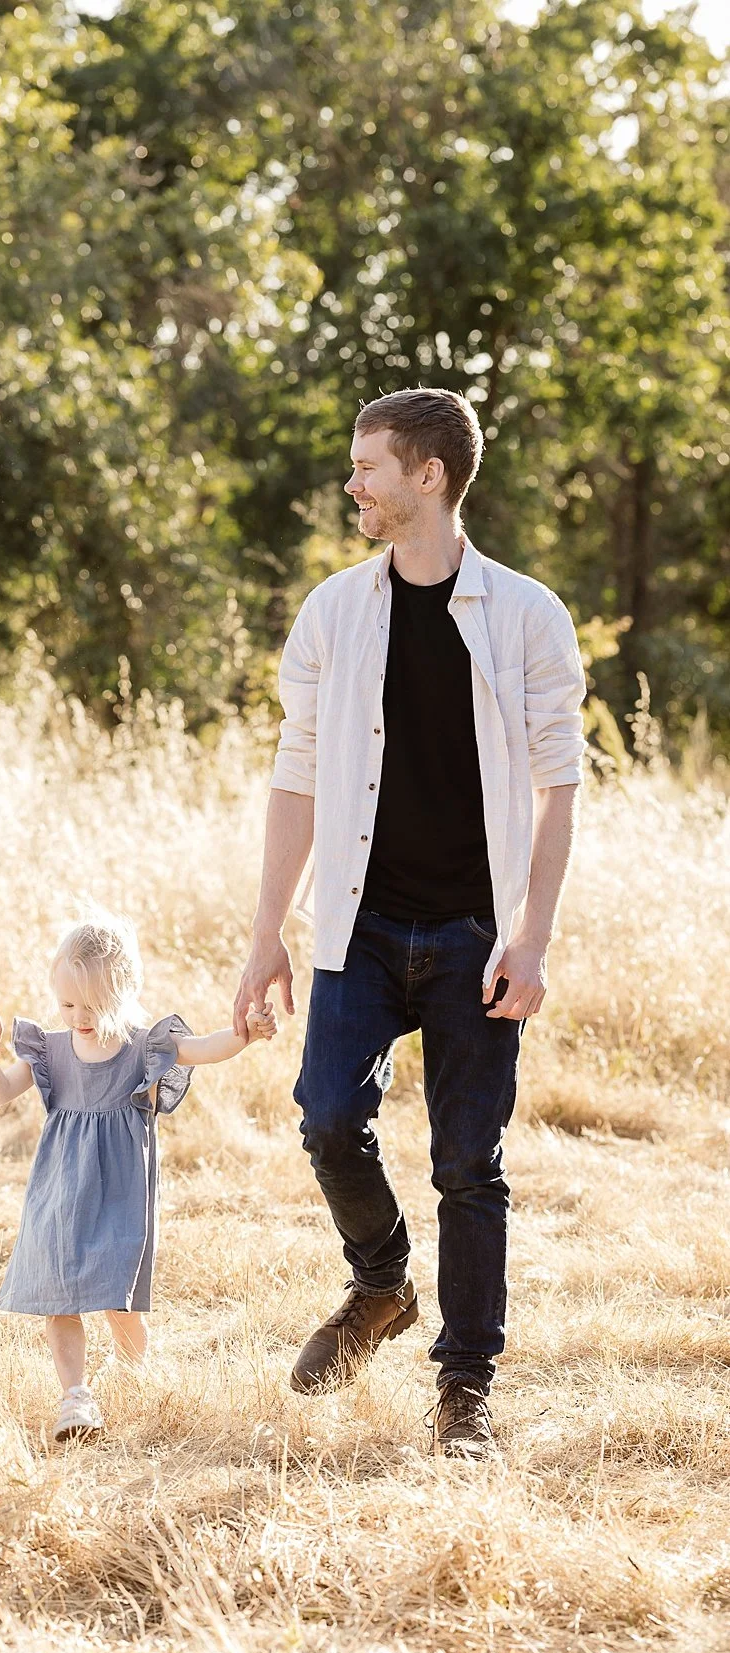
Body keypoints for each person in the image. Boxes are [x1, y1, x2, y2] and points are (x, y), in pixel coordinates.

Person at [232, 389, 585, 1458]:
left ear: (428, 475)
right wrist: (266, 932)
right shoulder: (334, 612)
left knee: (468, 1166)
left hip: (478, 934)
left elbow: (561, 785)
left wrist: (532, 937)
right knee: (328, 1119)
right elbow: (294, 779)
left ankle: (465, 1388)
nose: (354, 484)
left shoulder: (527, 614)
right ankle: (381, 1283)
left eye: (369, 465)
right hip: (361, 924)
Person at [0, 910, 276, 1441]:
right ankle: (75, 1398)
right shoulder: (49, 1048)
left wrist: (246, 1034)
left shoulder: (144, 1046)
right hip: (61, 1189)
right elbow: (0, 1092)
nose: (78, 1016)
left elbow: (205, 1048)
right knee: (60, 1294)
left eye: (91, 1006)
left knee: (119, 1295)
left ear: (122, 992)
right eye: (68, 1004)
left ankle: (136, 1379)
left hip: (120, 1193)